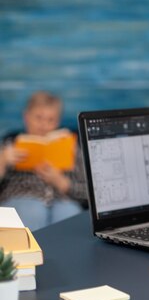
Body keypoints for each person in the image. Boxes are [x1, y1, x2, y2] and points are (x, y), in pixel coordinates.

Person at [0, 91, 87, 231]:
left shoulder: (71, 146)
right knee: (34, 211)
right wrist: (3, 161)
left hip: (63, 200)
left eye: (50, 120)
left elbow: (90, 194)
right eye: (38, 118)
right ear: (26, 117)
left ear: (58, 122)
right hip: (23, 197)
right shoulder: (10, 143)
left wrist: (62, 182)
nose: (43, 125)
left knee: (68, 214)